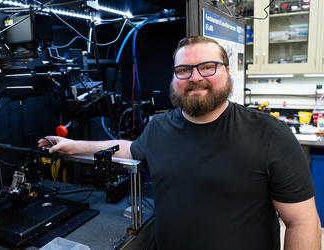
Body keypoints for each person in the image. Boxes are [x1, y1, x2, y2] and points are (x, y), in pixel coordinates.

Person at [38, 36, 321, 249]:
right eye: (184, 70)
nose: (195, 77)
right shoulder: (159, 127)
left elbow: (303, 222)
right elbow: (130, 149)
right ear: (174, 78)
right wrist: (73, 146)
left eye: (208, 67)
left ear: (228, 71)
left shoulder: (270, 134)